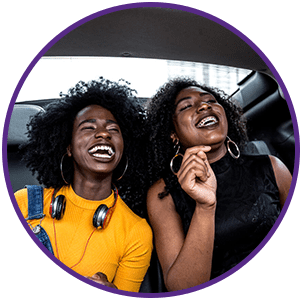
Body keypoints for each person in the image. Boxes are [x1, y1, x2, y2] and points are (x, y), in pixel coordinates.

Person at [145, 77, 292, 291]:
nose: (204, 106)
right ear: (173, 134)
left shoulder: (272, 166)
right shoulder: (163, 193)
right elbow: (181, 287)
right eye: (186, 106)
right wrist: (205, 207)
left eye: (211, 101)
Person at [14, 77, 153, 292]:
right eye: (88, 128)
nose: (104, 134)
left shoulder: (136, 231)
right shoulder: (23, 202)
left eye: (113, 129)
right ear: (68, 147)